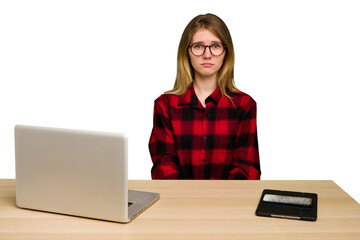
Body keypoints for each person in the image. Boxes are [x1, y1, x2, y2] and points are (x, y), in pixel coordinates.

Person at [148, 13, 260, 180]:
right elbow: (163, 166)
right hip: (179, 202)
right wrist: (187, 199)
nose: (207, 55)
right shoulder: (165, 105)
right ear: (186, 52)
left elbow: (247, 168)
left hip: (230, 203)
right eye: (198, 46)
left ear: (225, 52)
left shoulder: (244, 105)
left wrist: (219, 201)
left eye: (215, 46)